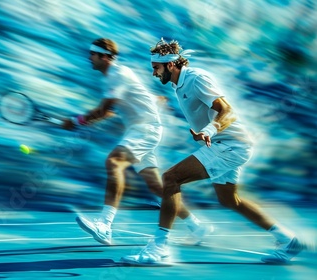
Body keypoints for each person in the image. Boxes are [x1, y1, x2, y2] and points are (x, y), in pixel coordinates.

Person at [121, 38, 305, 265]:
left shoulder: (196, 78)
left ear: (170, 65)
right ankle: (287, 240)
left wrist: (209, 129)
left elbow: (227, 110)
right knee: (229, 199)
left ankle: (159, 248)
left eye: (156, 68)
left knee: (170, 178)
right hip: (226, 145)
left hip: (230, 145)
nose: (153, 74)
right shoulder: (179, 84)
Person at [63, 38, 213, 246]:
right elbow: (111, 110)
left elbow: (103, 110)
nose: (89, 58)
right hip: (142, 129)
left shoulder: (117, 74)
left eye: (93, 54)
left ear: (104, 56)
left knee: (113, 162)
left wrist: (75, 121)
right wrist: (86, 120)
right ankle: (196, 226)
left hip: (145, 130)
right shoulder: (114, 77)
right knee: (156, 186)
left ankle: (105, 225)